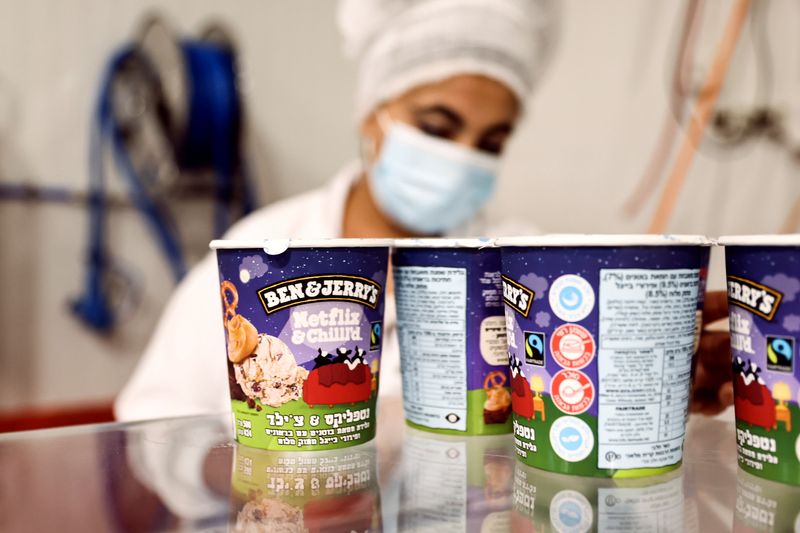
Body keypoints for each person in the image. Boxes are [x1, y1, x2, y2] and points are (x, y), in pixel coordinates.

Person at [115, 0, 556, 421]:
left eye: (492, 143)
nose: (462, 160)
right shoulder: (256, 250)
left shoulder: (516, 263)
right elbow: (149, 421)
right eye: (436, 127)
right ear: (372, 114)